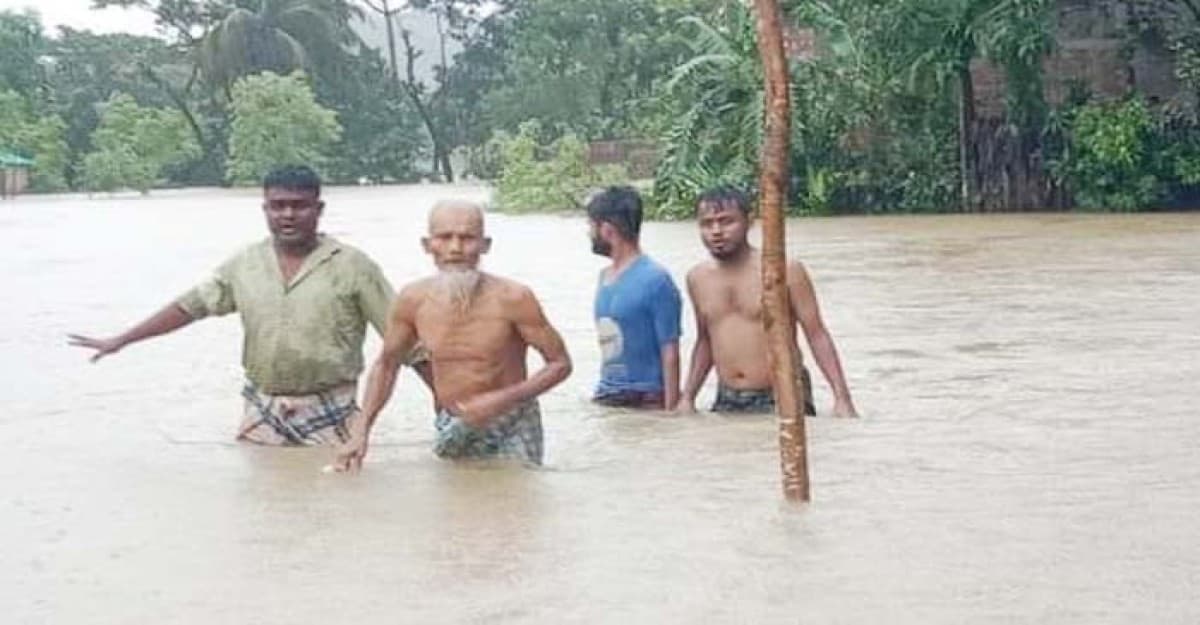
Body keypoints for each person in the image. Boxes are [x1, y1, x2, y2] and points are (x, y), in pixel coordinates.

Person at [69, 165, 431, 445]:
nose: (288, 215)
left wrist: (449, 397)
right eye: (278, 206)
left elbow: (404, 340)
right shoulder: (245, 264)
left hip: (331, 408)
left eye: (299, 206)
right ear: (265, 209)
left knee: (335, 507)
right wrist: (122, 340)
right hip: (262, 407)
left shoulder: (353, 266)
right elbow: (190, 306)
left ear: (318, 209)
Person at [333, 200, 571, 470]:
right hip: (452, 419)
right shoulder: (413, 299)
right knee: (455, 504)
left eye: (467, 238)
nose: (455, 249)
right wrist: (361, 431)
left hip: (512, 421)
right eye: (445, 238)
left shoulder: (514, 298)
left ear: (485, 245)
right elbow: (387, 365)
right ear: (427, 245)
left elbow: (560, 364)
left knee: (514, 501)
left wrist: (501, 399)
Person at [680, 186, 858, 418]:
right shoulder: (697, 278)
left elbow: (816, 334)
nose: (716, 231)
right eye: (707, 223)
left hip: (782, 394)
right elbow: (705, 341)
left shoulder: (784, 270)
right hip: (728, 397)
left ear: (749, 221)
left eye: (726, 222)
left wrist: (842, 398)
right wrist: (687, 398)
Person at [586, 186, 683, 411]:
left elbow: (670, 351)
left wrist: (671, 411)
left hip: (645, 397)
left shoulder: (656, 279)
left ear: (607, 230)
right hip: (608, 392)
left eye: (592, 227)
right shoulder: (604, 277)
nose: (589, 234)